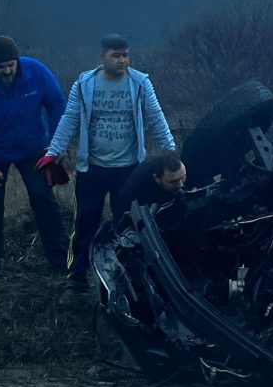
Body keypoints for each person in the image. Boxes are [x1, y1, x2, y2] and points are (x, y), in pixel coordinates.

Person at [44, 33, 175, 295]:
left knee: (127, 224)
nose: (122, 60)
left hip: (129, 169)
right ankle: (77, 279)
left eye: (125, 55)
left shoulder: (140, 83)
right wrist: (53, 150)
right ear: (102, 57)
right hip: (92, 168)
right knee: (85, 223)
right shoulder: (85, 84)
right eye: (116, 55)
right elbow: (70, 118)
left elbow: (155, 116)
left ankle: (125, 278)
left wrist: (171, 151)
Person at [0, 36, 68, 299]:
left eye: (11, 65)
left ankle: (61, 265)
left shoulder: (37, 72)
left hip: (33, 149)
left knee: (44, 200)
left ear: (17, 61)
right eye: (1, 67)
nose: (7, 71)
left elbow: (57, 104)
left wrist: (56, 146)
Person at [114, 151, 187, 218]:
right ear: (156, 178)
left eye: (183, 177)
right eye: (173, 181)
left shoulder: (184, 168)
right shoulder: (137, 186)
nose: (180, 185)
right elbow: (121, 214)